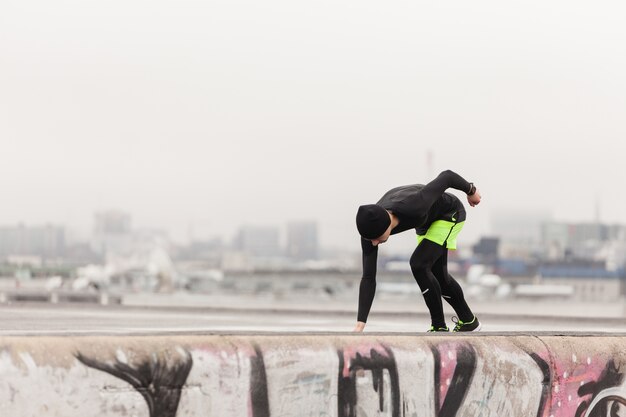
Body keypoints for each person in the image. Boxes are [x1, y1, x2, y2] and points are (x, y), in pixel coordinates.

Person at [353, 170, 482, 332]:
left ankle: (439, 326)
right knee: (438, 276)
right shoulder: (369, 229)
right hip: (425, 222)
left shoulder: (414, 205)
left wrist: (471, 191)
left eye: (377, 237)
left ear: (387, 224)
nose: (374, 243)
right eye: (370, 239)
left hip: (449, 213)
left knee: (419, 264)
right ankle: (469, 321)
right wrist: (360, 324)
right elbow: (368, 277)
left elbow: (447, 176)